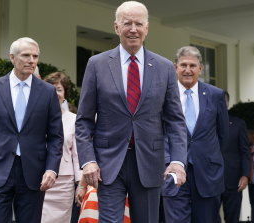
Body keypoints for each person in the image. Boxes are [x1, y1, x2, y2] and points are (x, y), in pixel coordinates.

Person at [75, 1, 187, 222]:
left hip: (150, 162)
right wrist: (88, 161)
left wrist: (178, 160)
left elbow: (175, 120)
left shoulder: (164, 67)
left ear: (147, 28)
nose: (133, 29)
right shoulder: (96, 64)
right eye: (127, 23)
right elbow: (84, 121)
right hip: (108, 164)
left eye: (139, 23)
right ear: (117, 28)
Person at [0, 37, 63, 223]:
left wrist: (52, 169)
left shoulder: (47, 92)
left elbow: (55, 136)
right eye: (26, 55)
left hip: (33, 172)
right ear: (12, 57)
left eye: (35, 56)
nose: (31, 60)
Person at [162, 46, 229, 223]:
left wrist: (208, 156)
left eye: (193, 65)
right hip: (173, 172)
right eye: (183, 65)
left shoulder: (216, 95)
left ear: (201, 68)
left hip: (208, 174)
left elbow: (223, 135)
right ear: (175, 67)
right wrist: (166, 161)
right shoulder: (162, 94)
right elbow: (157, 133)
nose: (188, 70)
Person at [42, 72, 81, 222]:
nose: (54, 93)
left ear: (65, 94)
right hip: (38, 180)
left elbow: (77, 154)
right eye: (50, 89)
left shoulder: (74, 120)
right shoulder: (35, 117)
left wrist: (80, 183)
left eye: (58, 89)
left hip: (63, 184)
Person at [218, 91, 250, 223]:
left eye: (223, 100)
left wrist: (245, 175)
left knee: (232, 218)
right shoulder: (205, 123)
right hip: (209, 180)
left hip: (233, 180)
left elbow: (244, 151)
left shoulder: (238, 124)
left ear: (227, 103)